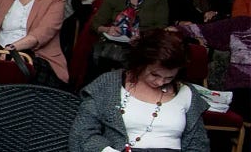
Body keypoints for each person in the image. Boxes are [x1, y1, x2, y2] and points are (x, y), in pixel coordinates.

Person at [69, 29, 209, 152]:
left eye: (169, 77)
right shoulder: (108, 84)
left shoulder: (186, 92)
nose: (160, 82)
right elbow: (83, 131)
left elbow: (198, 144)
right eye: (154, 74)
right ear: (140, 64)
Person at [90, 0, 170, 72]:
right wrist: (107, 29)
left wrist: (141, 36)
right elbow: (95, 23)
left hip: (146, 43)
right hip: (116, 44)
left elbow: (161, 26)